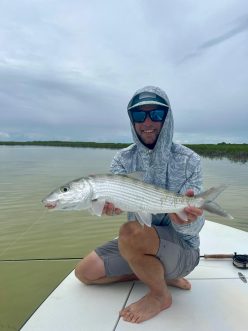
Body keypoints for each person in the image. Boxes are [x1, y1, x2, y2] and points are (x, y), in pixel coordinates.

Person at [75, 85, 204, 324]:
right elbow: (111, 205)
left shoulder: (190, 160)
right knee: (85, 273)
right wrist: (105, 208)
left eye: (156, 114)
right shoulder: (123, 159)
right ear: (131, 120)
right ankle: (158, 275)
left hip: (182, 250)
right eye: (138, 115)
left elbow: (194, 229)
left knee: (131, 231)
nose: (147, 122)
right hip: (139, 243)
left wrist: (186, 221)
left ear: (167, 118)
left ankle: (160, 295)